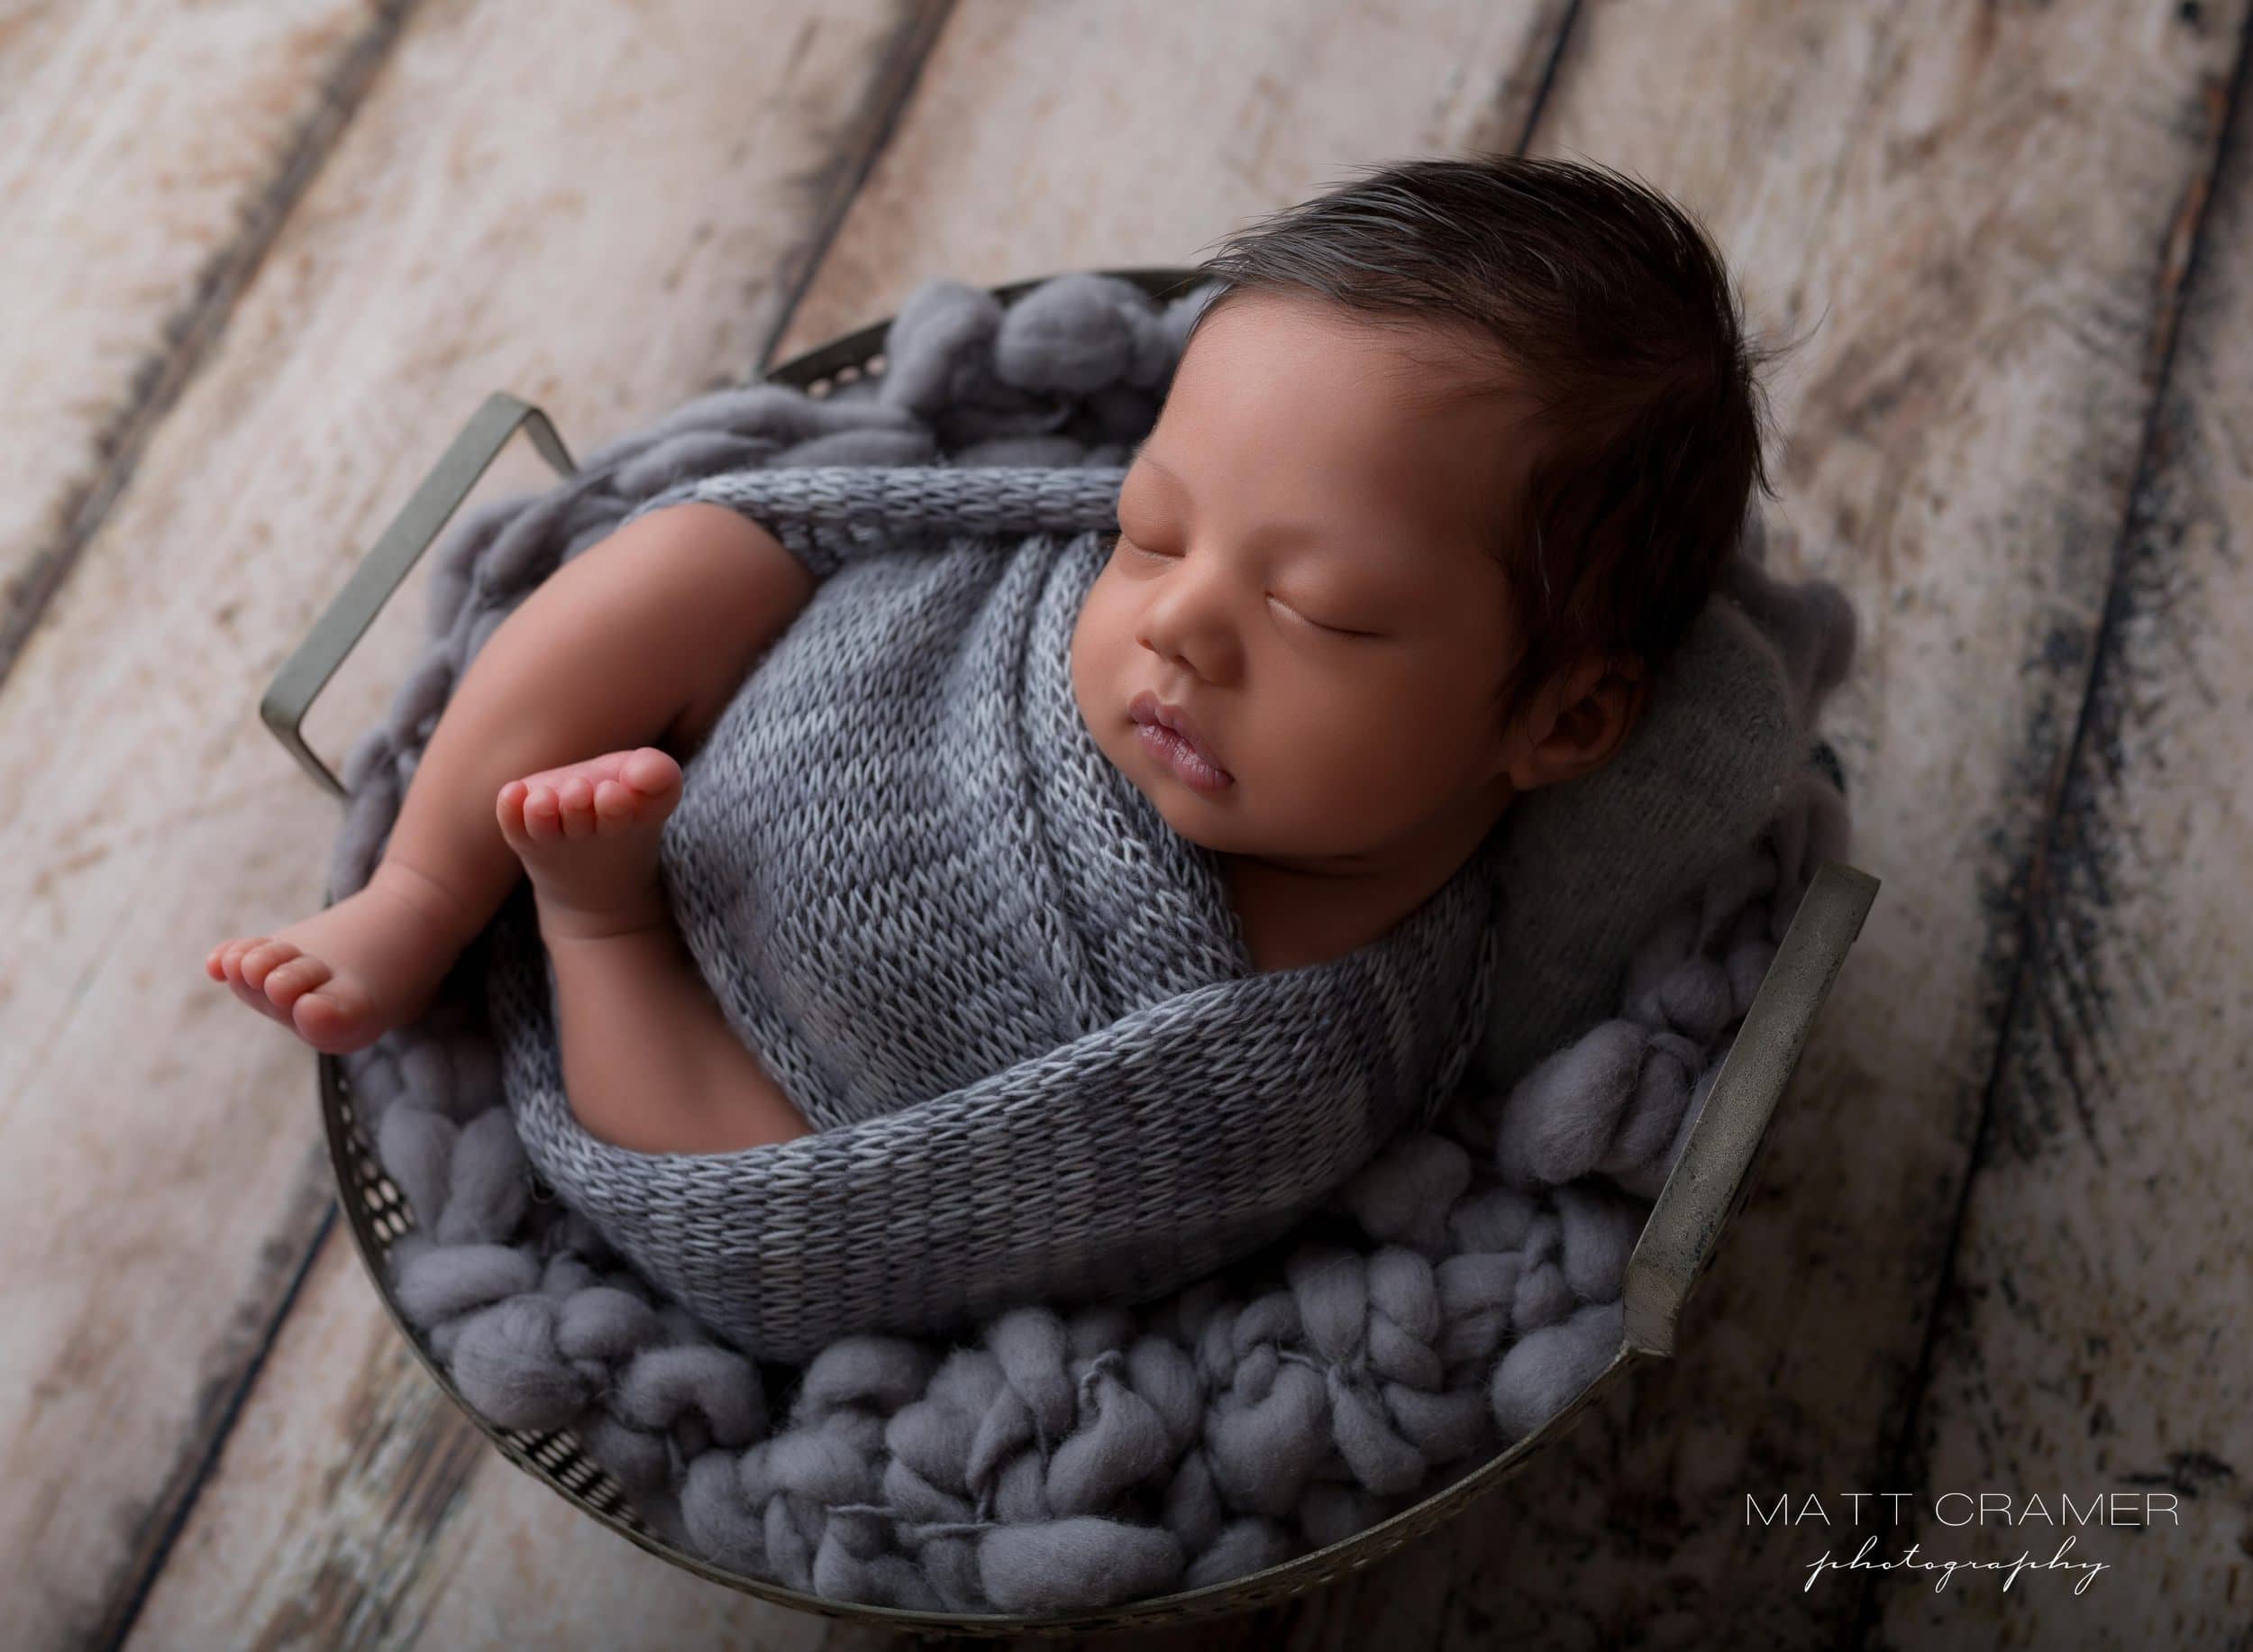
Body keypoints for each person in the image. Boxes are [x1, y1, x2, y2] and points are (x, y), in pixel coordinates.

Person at [205, 153, 1777, 1155]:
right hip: (803, 684)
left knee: (743, 1166)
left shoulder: (1299, 1053)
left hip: (733, 1044)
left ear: (1565, 720)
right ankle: (417, 890)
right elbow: (882, 525)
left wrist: (610, 924)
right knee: (692, 552)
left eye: (1324, 615)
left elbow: (836, 1237)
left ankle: (585, 934)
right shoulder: (1101, 592)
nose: (1174, 618)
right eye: (1153, 527)